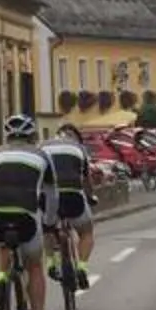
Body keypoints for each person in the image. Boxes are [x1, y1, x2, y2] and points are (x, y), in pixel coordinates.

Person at [0, 113, 56, 310]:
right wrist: (49, 223)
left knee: (1, 243)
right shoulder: (42, 156)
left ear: (7, 135)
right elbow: (51, 195)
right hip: (27, 213)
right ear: (32, 135)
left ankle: (0, 279)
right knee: (34, 266)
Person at [45, 121, 100, 289]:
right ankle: (82, 268)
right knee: (86, 231)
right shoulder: (79, 149)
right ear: (75, 137)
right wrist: (91, 197)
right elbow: (86, 179)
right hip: (72, 196)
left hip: (50, 198)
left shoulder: (43, 147)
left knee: (46, 228)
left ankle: (51, 263)